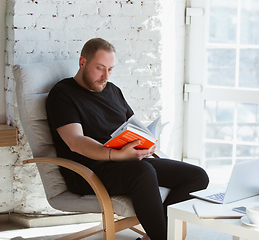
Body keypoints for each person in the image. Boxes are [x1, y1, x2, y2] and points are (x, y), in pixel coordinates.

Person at [46, 38, 209, 240]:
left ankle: (158, 235)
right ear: (82, 63)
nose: (106, 76)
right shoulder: (62, 94)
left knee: (197, 176)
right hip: (90, 171)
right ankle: (162, 236)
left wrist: (146, 144)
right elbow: (75, 141)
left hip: (126, 162)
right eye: (100, 68)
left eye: (111, 69)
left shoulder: (113, 90)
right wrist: (117, 155)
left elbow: (133, 126)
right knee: (143, 170)